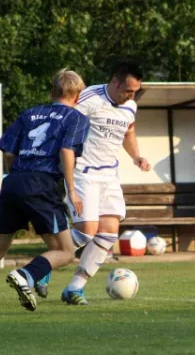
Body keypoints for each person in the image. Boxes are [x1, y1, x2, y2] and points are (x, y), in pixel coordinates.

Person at [0, 69, 90, 315]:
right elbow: (66, 152)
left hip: (13, 182)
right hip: (42, 184)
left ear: (51, 91)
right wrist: (72, 191)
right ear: (77, 95)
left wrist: (20, 177)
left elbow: (9, 152)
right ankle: (25, 275)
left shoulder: (29, 113)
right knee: (66, 252)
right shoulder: (75, 118)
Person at [57, 59, 152, 305]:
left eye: (135, 91)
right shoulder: (88, 97)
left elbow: (129, 131)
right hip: (83, 172)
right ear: (115, 82)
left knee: (108, 233)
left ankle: (74, 289)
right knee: (86, 232)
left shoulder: (130, 106)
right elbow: (64, 127)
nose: (132, 96)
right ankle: (44, 263)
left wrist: (136, 156)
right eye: (128, 90)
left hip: (109, 176)